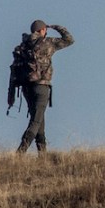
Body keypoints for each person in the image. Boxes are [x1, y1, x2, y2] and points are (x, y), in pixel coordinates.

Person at [10, 20, 74, 154]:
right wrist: (55, 26)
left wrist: (10, 94)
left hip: (26, 89)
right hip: (42, 86)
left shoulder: (23, 45)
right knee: (36, 120)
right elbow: (69, 39)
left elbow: (14, 69)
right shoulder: (48, 43)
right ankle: (21, 150)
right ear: (43, 30)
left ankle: (42, 154)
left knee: (39, 121)